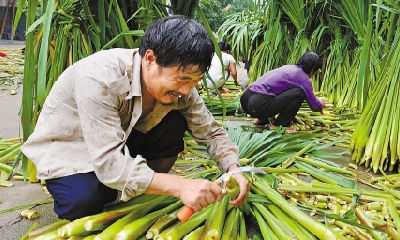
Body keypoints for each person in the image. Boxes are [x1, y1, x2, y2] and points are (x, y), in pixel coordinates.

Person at [21, 15, 249, 221]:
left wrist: (233, 169)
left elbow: (211, 132)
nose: (188, 90)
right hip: (73, 148)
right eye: (182, 79)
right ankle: (141, 185)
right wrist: (180, 186)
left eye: (195, 81)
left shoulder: (182, 90)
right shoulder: (102, 78)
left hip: (121, 139)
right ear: (150, 59)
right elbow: (109, 164)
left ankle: (144, 185)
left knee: (175, 121)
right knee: (82, 202)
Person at [240, 51, 325, 133]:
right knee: (300, 93)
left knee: (275, 92)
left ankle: (262, 119)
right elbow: (315, 107)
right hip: (258, 105)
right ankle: (281, 125)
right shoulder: (304, 79)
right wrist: (321, 103)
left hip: (245, 100)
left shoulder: (287, 67)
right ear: (313, 69)